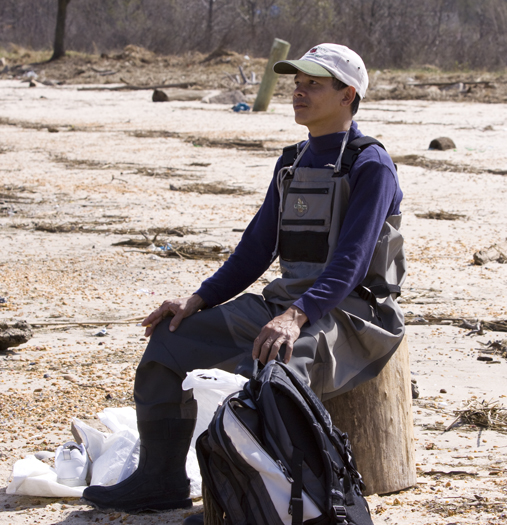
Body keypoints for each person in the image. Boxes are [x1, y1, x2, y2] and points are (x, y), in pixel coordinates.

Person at [82, 42, 406, 515]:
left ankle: (290, 501)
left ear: (347, 95)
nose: (298, 93)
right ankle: (160, 479)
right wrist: (196, 300)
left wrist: (296, 317)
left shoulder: (370, 164)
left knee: (278, 380)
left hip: (353, 313)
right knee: (171, 342)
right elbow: (256, 250)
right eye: (297, 83)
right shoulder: (292, 163)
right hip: (289, 305)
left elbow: (352, 262)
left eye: (313, 85)